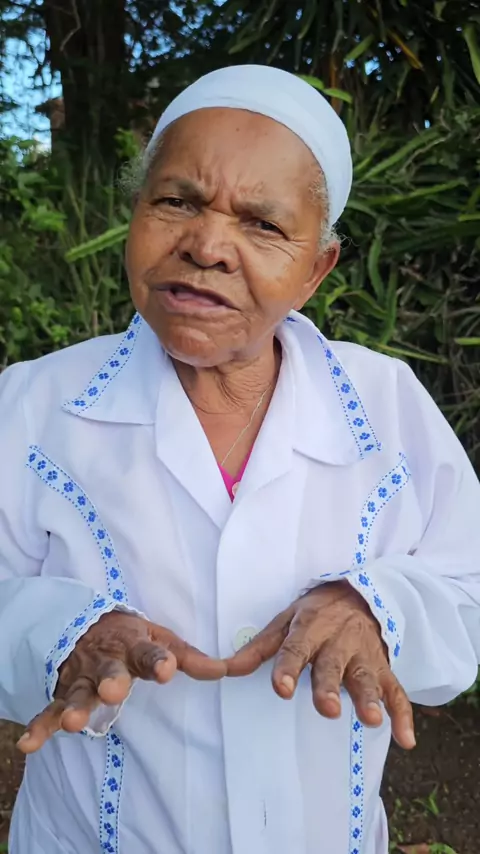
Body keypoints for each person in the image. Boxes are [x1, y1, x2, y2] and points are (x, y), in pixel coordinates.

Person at [0, 64, 479, 854]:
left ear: (316, 269)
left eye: (261, 224)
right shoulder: (33, 405)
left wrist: (376, 610)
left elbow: (467, 587)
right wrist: (59, 633)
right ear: (136, 214)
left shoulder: (386, 406)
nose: (208, 246)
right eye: (177, 201)